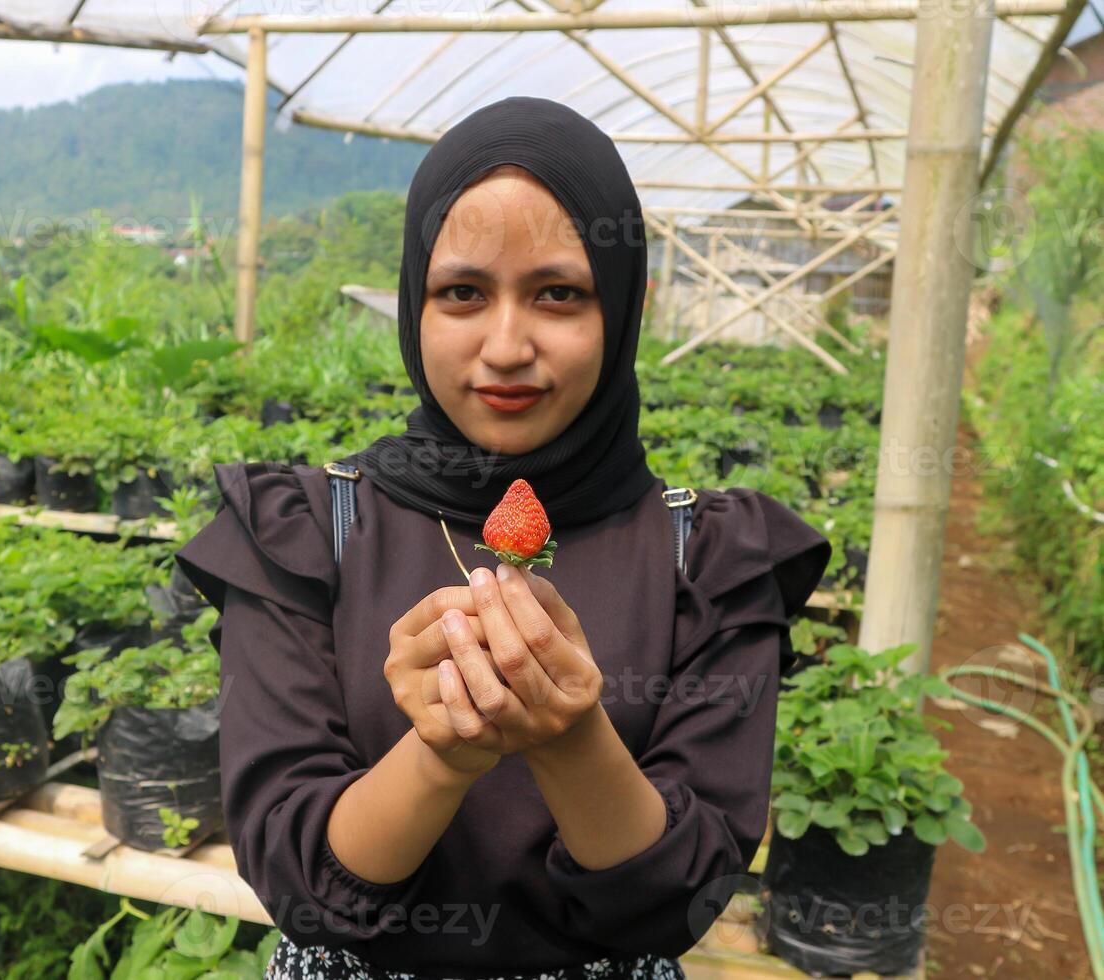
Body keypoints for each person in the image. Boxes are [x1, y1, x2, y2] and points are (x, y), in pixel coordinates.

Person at [175, 95, 832, 980]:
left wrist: (569, 737)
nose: (506, 346)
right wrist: (442, 753)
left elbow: (681, 899)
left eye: (559, 293)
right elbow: (300, 885)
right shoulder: (305, 534)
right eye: (463, 294)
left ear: (626, 305)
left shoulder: (706, 558)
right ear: (414, 302)